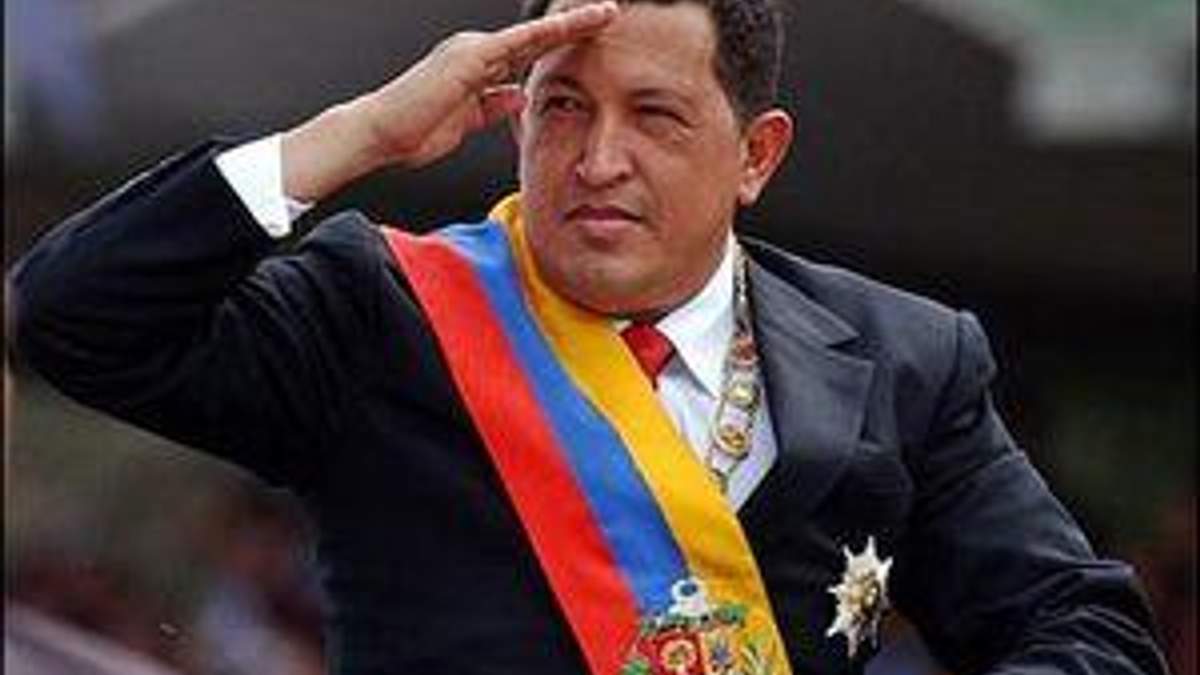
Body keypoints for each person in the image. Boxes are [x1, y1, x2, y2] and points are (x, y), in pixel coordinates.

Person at [7, 0, 1169, 673]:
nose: (599, 159)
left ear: (757, 154)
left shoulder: (904, 357)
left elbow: (1086, 629)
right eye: (563, 108)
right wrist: (356, 134)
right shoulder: (381, 311)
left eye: (655, 116)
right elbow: (70, 317)